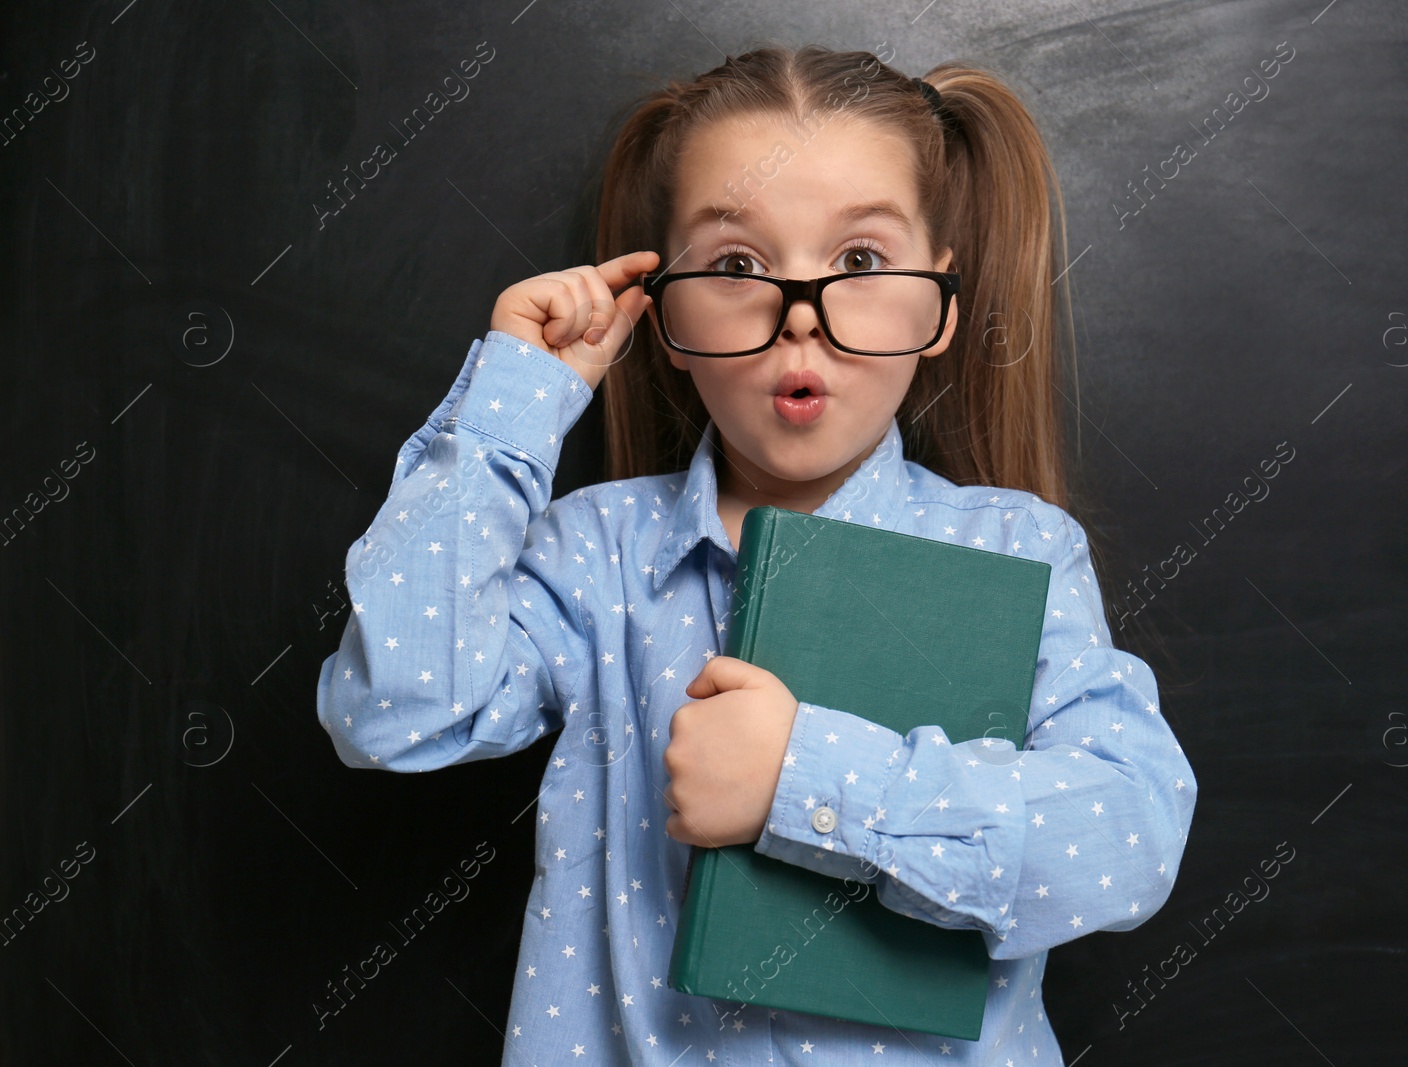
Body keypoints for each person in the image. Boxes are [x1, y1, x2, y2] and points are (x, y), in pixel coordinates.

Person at [316, 43, 1197, 1065]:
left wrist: (801, 776)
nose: (800, 325)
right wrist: (515, 400)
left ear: (940, 306)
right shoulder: (596, 557)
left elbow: (1127, 839)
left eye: (860, 263)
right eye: (737, 268)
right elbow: (394, 709)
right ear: (671, 315)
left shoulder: (1016, 549)